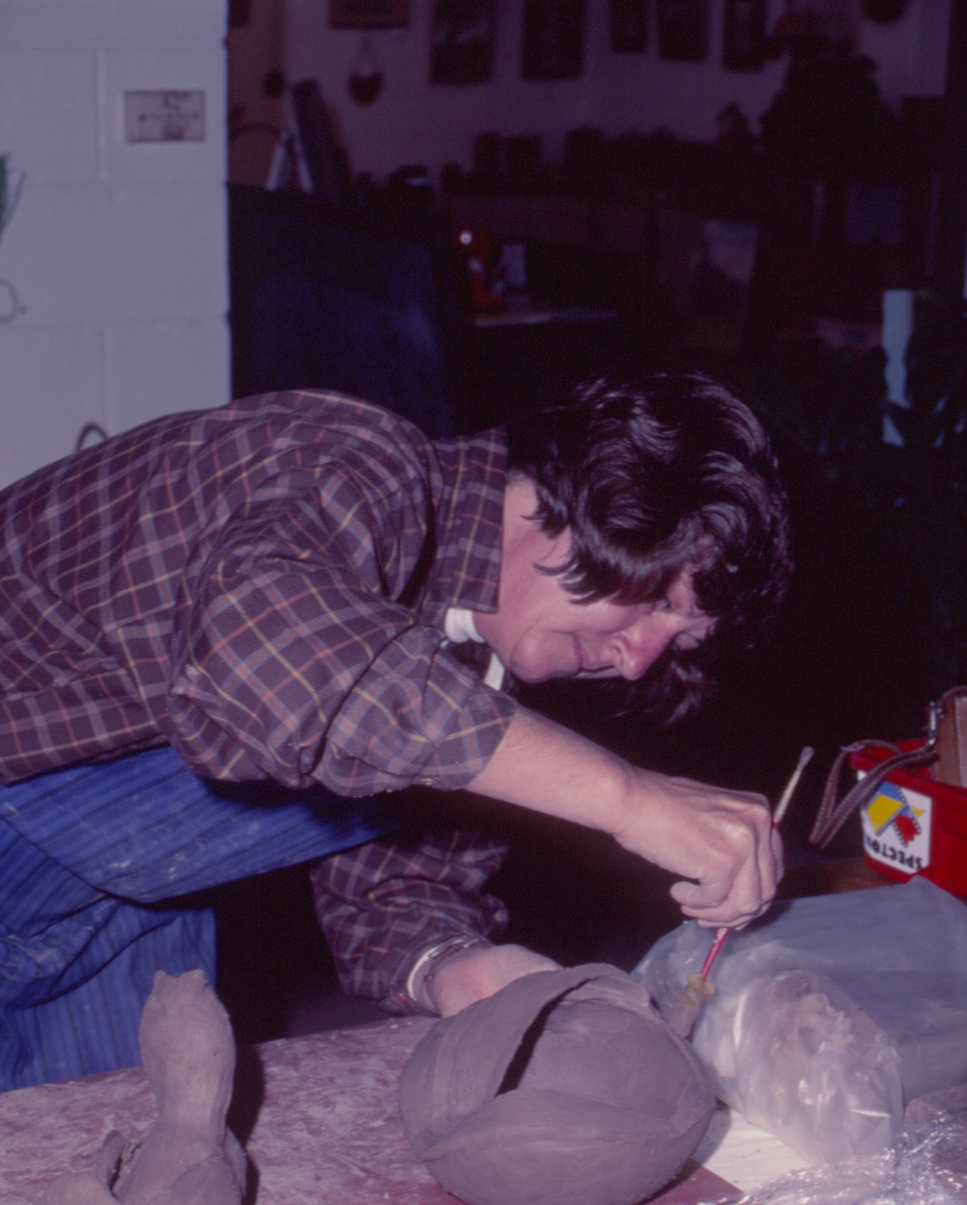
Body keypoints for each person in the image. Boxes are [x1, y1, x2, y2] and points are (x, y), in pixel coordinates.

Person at [0, 373, 791, 1090]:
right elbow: (266, 648)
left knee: (122, 1168)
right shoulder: (351, 460)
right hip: (22, 806)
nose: (639, 659)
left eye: (681, 642)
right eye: (657, 601)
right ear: (599, 501)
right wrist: (626, 797)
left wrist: (456, 969)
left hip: (107, 906)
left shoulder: (479, 684)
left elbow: (397, 885)